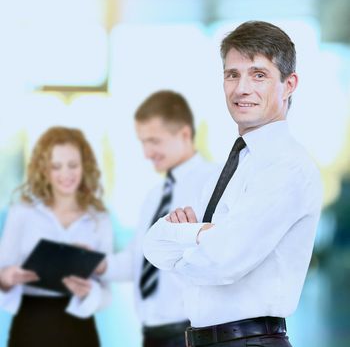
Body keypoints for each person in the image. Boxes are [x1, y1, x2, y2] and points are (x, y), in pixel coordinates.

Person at [143, 21, 323, 347]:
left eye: (259, 75)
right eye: (232, 74)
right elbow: (152, 245)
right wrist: (201, 236)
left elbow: (222, 261)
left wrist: (184, 244)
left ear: (289, 84)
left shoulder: (288, 167)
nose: (241, 88)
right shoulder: (228, 168)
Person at [97, 90, 216, 347]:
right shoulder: (154, 196)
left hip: (192, 333)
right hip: (153, 335)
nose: (146, 153)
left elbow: (220, 256)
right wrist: (93, 264)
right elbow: (137, 260)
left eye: (154, 141)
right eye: (142, 142)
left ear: (184, 134)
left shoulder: (214, 184)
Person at [0, 127, 114, 347]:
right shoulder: (23, 212)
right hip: (30, 325)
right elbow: (2, 272)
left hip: (79, 328)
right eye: (56, 166)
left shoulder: (99, 218)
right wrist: (6, 278)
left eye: (73, 165)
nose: (66, 174)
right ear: (44, 170)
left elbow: (106, 293)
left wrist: (89, 292)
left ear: (85, 166)